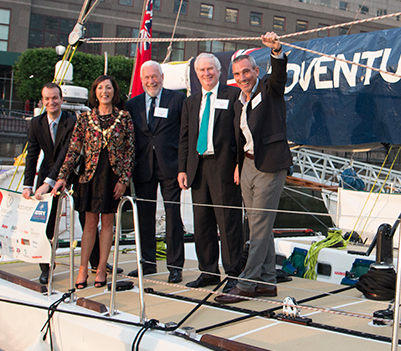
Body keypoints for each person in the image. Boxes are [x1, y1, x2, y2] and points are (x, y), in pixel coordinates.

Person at [216, 33, 293, 304]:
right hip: (247, 165)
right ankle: (268, 282)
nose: (242, 77)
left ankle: (247, 284)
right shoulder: (239, 100)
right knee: (259, 224)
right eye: (237, 74)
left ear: (256, 71)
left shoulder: (269, 90)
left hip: (270, 166)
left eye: (246, 72)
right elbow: (240, 138)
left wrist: (276, 51)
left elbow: (279, 76)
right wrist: (239, 166)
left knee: (258, 224)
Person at [54, 75, 134, 289]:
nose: (104, 92)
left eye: (108, 88)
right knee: (90, 223)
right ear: (95, 92)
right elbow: (73, 150)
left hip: (113, 176)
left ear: (114, 91)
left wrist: (124, 179)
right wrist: (62, 176)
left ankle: (101, 268)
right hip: (89, 176)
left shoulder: (124, 118)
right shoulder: (84, 119)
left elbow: (129, 152)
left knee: (108, 223)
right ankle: (82, 268)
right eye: (100, 88)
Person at [177, 53, 244, 289]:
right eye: (202, 70)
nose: (206, 73)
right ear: (197, 74)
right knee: (202, 223)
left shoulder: (233, 95)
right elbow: (185, 138)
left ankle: (234, 274)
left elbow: (241, 134)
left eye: (210, 69)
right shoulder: (190, 102)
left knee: (228, 223)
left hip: (224, 166)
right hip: (198, 168)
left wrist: (239, 164)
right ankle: (208, 272)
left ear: (219, 71)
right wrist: (182, 169)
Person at [125, 61, 186, 282]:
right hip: (143, 168)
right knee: (144, 218)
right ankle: (147, 263)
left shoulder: (177, 100)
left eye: (155, 76)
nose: (151, 81)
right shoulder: (132, 105)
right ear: (142, 80)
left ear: (162, 76)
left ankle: (175, 266)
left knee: (173, 217)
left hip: (171, 167)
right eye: (147, 77)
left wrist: (183, 166)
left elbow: (184, 134)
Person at [22, 83, 78, 285]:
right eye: (47, 98)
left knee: (86, 215)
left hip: (71, 173)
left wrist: (49, 182)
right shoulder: (36, 123)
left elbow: (65, 154)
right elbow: (32, 154)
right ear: (42, 101)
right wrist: (28, 184)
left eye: (55, 98)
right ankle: (46, 266)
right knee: (45, 223)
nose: (51, 102)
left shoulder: (71, 122)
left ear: (61, 99)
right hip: (46, 173)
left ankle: (97, 262)